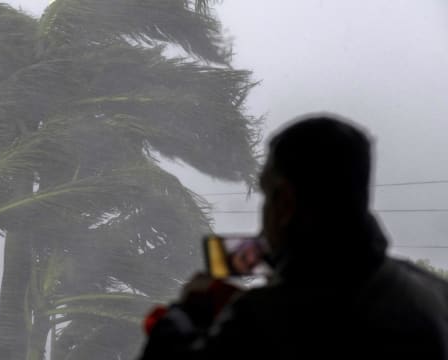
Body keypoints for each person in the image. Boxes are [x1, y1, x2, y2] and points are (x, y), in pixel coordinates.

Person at [139, 113, 448, 360]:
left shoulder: (262, 320)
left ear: (285, 203)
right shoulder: (432, 290)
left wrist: (186, 313)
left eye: (265, 194)